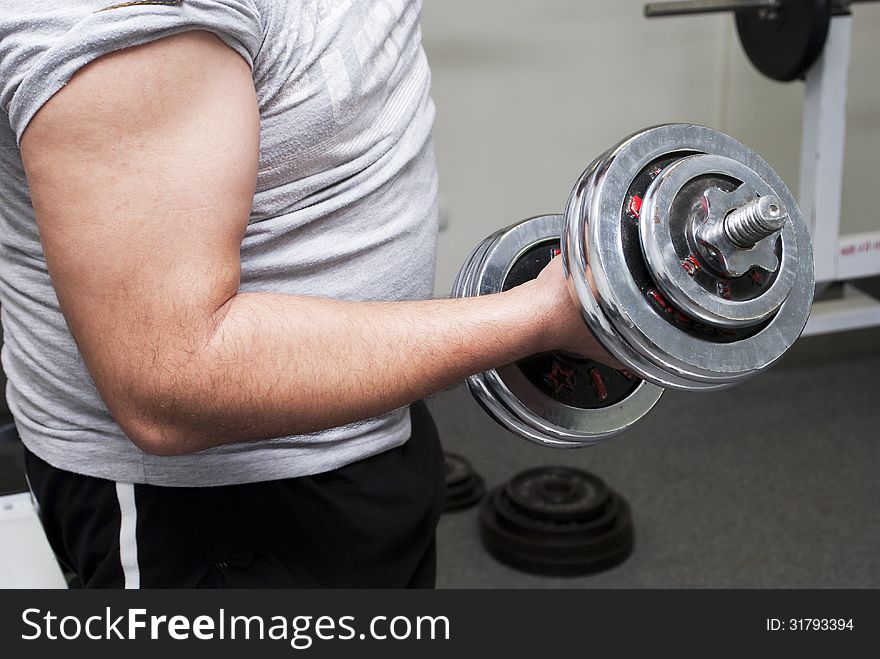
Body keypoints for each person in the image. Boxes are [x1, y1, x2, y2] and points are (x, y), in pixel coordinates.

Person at [0, 0, 613, 588]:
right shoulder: (132, 21)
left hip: (371, 419)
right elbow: (174, 380)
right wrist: (544, 316)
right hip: (213, 513)